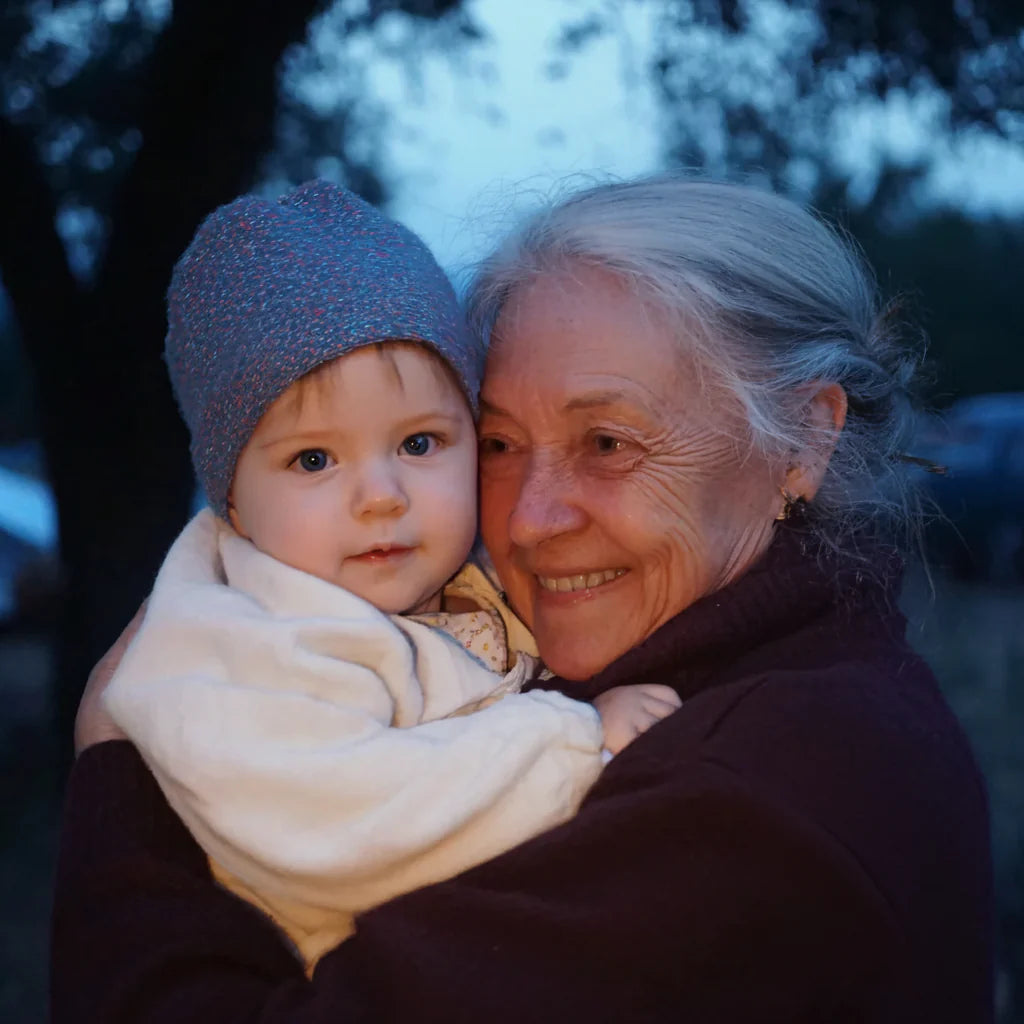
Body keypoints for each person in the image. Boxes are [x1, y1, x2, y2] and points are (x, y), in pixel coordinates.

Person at [53, 177, 995, 1023]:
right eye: (499, 445)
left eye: (609, 444)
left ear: (802, 440)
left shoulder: (756, 800)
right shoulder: (756, 681)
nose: (532, 520)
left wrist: (118, 787)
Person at [89, 180, 680, 971]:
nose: (380, 496)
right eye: (313, 459)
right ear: (233, 498)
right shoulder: (235, 647)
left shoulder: (472, 588)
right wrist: (577, 738)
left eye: (419, 444)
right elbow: (345, 822)